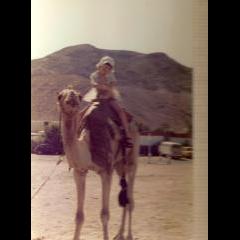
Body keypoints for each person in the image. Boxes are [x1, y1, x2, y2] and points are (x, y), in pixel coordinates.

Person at [83, 56, 133, 148]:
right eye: (105, 67)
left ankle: (127, 134)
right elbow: (93, 84)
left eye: (109, 69)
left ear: (110, 70)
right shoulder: (94, 75)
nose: (106, 70)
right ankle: (79, 131)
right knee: (84, 112)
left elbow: (111, 88)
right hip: (97, 97)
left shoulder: (111, 76)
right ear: (100, 66)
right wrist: (100, 87)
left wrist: (106, 92)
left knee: (120, 111)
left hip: (109, 97)